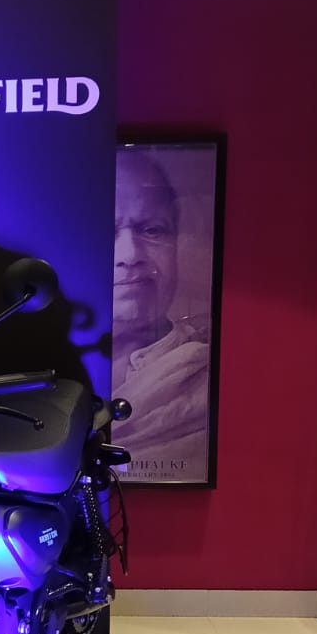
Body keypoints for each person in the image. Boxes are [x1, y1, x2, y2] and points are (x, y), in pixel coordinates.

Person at [111, 149, 210, 474]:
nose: (130, 255)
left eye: (152, 230)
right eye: (105, 231)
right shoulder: (36, 378)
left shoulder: (203, 379)